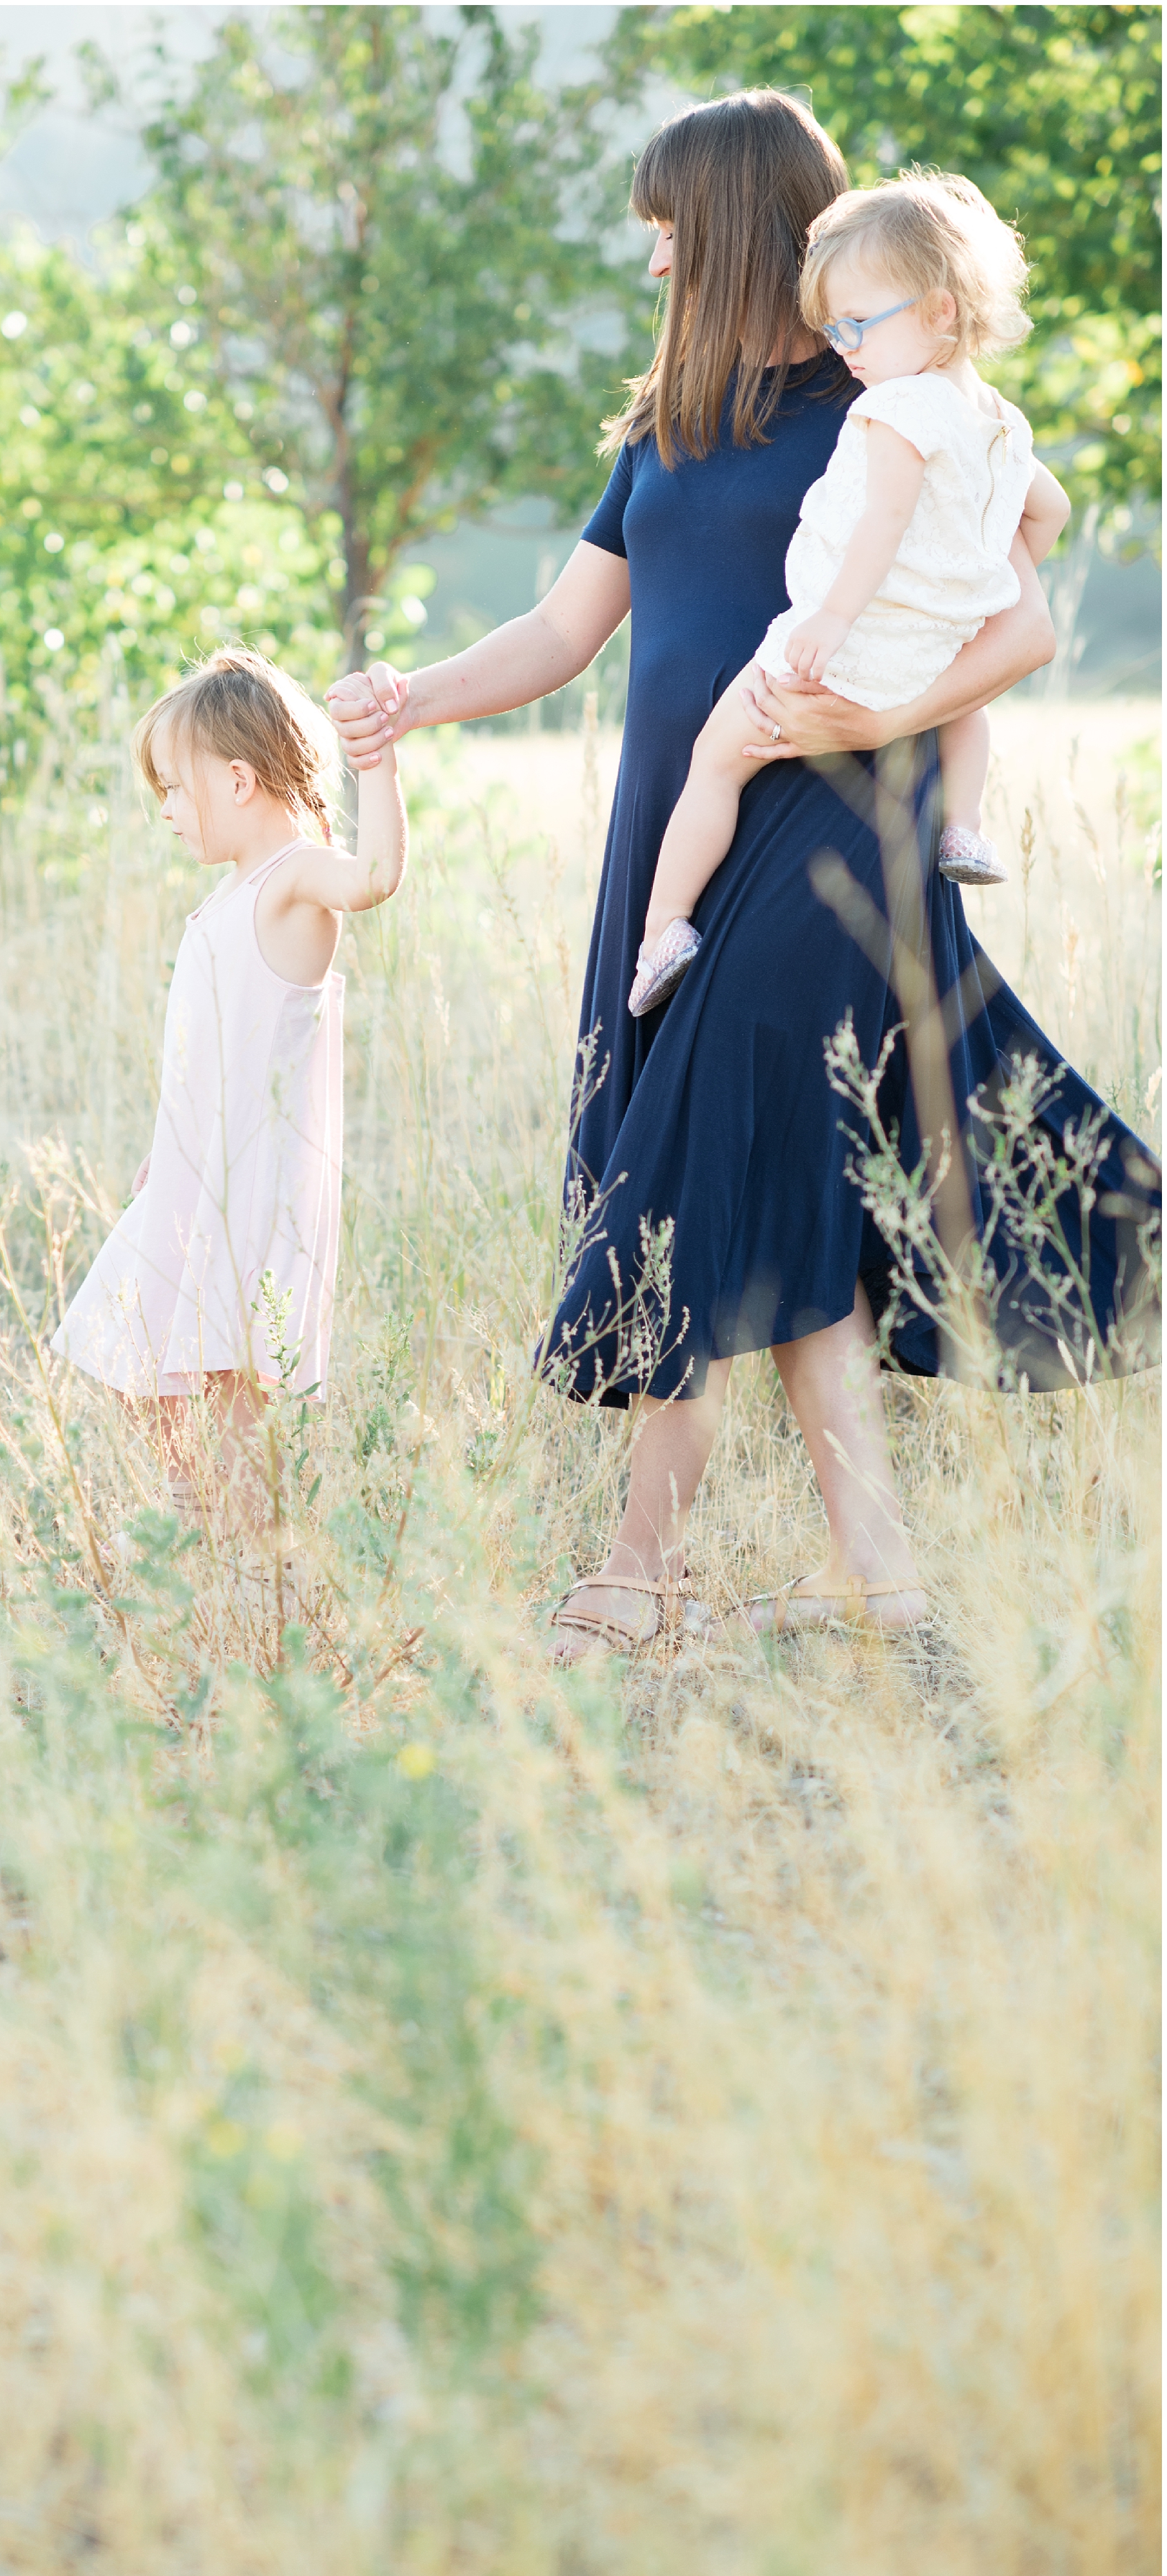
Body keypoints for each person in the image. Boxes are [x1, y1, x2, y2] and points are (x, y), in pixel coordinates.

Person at [328, 90, 1160, 1657]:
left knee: (703, 1174)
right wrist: (409, 697)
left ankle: (640, 1570)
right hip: (680, 839)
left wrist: (871, 712)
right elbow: (564, 635)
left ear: (724, 221)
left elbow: (1025, 626)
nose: (648, 263)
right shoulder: (664, 424)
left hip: (829, 845)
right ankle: (881, 1578)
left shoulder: (885, 403)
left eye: (662, 228)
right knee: (776, 1185)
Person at [629, 171, 1069, 1020]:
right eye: (831, 327)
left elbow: (880, 523)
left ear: (941, 310)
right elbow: (1049, 510)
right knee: (964, 711)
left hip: (843, 644)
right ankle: (964, 825)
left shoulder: (892, 411)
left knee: (716, 762)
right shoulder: (1002, 424)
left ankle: (664, 926)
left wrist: (830, 618)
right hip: (933, 649)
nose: (842, 346)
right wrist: (981, 575)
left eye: (857, 324)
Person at [52, 645, 406, 1532]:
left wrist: (381, 764)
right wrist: (161, 1147)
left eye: (173, 789)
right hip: (191, 1172)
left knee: (228, 1366)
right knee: (134, 1345)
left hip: (254, 1181)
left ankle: (247, 1543)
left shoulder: (293, 878)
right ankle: (200, 1508)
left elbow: (374, 879)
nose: (165, 811)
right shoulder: (229, 896)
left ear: (240, 781)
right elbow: (206, 1051)